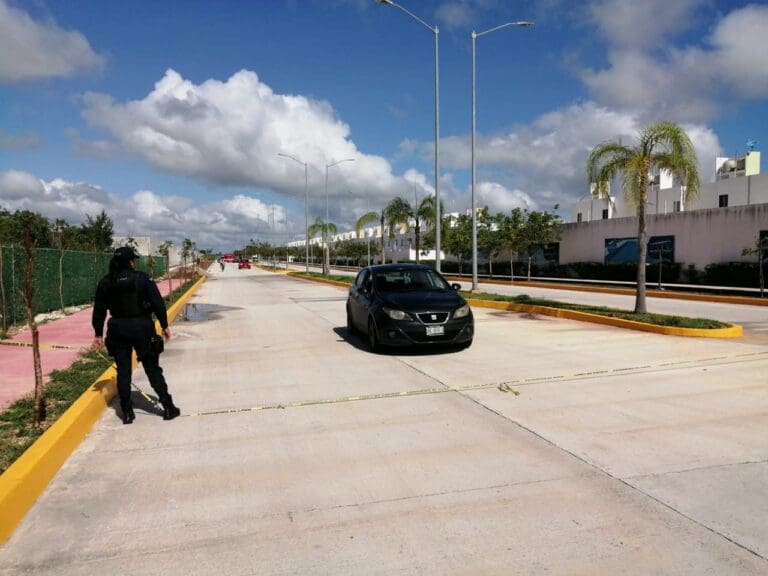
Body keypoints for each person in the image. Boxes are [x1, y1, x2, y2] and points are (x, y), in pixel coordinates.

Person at [92, 246, 180, 424]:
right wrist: (164, 325)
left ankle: (127, 412)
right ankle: (168, 407)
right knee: (152, 369)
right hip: (142, 327)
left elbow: (99, 311)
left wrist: (98, 334)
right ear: (130, 262)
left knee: (123, 371)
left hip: (117, 329)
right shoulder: (142, 278)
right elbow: (157, 302)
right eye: (133, 259)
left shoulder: (106, 282)